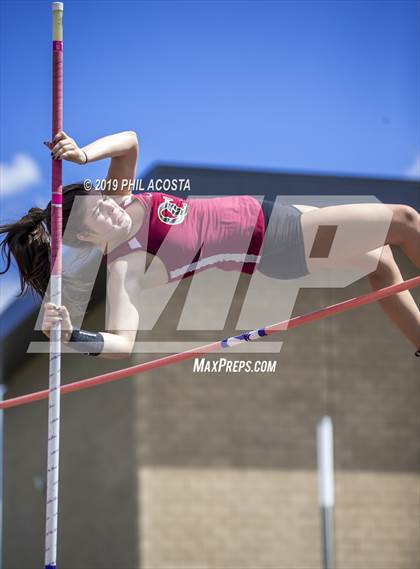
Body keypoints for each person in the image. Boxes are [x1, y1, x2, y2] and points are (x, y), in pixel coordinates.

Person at [1, 130, 419, 358]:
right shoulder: (125, 263)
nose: (111, 209)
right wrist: (74, 336)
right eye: (99, 217)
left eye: (102, 201)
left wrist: (81, 155)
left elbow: (129, 140)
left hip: (277, 214)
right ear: (91, 240)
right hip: (278, 242)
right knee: (404, 220)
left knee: (381, 262)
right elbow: (123, 343)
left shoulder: (120, 197)